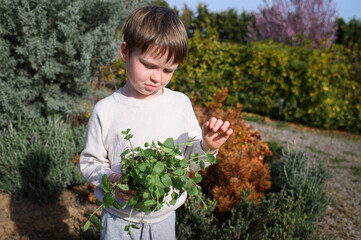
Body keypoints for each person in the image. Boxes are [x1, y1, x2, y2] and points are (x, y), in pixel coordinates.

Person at [79, 5, 233, 240]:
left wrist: (206, 146)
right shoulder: (106, 110)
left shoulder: (179, 104)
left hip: (163, 221)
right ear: (125, 52)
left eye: (167, 69)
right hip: (118, 221)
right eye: (149, 65)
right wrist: (112, 179)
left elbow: (191, 164)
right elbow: (90, 161)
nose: (157, 77)